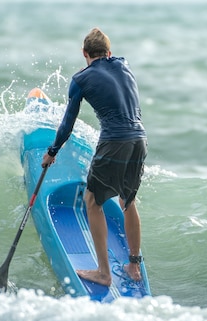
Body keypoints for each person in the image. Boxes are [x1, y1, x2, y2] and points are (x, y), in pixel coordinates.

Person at [41, 27, 147, 286]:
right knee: (128, 200)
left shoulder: (81, 79)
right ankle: (134, 267)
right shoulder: (124, 65)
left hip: (114, 141)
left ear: (84, 53)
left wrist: (52, 151)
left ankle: (103, 273)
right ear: (109, 52)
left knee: (92, 200)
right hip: (139, 139)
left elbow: (68, 123)